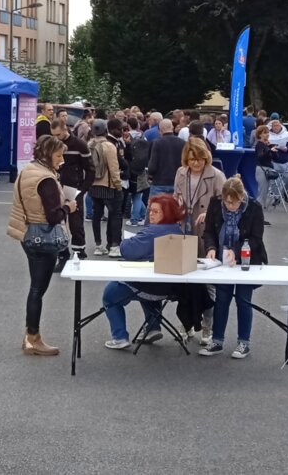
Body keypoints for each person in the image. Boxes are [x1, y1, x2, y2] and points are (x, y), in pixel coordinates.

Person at [6, 135, 78, 356]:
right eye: (58, 155)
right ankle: (33, 338)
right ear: (47, 155)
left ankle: (31, 336)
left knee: (35, 288)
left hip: (27, 234)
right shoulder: (46, 179)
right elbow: (53, 216)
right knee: (37, 290)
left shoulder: (28, 170)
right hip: (44, 238)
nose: (62, 160)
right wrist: (69, 206)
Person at [102, 195, 189, 349]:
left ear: (167, 213)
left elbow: (128, 251)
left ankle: (120, 337)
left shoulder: (153, 232)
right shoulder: (177, 229)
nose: (151, 214)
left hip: (149, 286)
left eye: (156, 211)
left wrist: (125, 242)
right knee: (149, 280)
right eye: (150, 210)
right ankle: (152, 327)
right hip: (170, 287)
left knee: (109, 295)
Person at [198, 177, 268, 359]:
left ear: (241, 198)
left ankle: (244, 342)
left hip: (247, 261)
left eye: (233, 202)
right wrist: (211, 248)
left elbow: (256, 238)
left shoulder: (254, 208)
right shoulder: (215, 204)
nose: (229, 205)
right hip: (222, 262)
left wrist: (236, 251)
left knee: (243, 300)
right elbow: (209, 232)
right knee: (222, 299)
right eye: (226, 202)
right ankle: (218, 340)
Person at [174, 138, 225, 344]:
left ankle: (208, 328)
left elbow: (226, 204)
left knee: (208, 283)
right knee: (185, 281)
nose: (196, 163)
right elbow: (176, 194)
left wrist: (210, 214)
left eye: (200, 159)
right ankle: (186, 324)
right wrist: (178, 205)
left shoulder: (217, 175)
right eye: (192, 159)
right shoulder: (181, 173)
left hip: (207, 232)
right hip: (185, 228)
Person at [51, 118, 94, 265]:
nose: (56, 138)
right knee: (59, 222)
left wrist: (83, 189)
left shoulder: (79, 145)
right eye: (53, 135)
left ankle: (79, 252)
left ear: (65, 130)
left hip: (75, 188)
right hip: (58, 187)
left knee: (76, 223)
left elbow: (90, 169)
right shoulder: (54, 145)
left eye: (58, 135)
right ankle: (62, 255)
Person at [87, 119, 123, 257]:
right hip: (108, 185)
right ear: (105, 130)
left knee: (96, 214)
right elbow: (114, 168)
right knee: (115, 215)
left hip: (94, 185)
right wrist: (118, 184)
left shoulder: (89, 144)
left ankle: (98, 245)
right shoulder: (109, 146)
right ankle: (114, 245)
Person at [147, 119, 185, 196]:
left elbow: (152, 164)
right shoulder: (182, 143)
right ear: (172, 128)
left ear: (160, 130)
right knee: (175, 207)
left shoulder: (156, 143)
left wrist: (150, 175)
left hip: (159, 182)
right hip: (177, 182)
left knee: (157, 207)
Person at [126, 117, 150, 226]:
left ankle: (134, 220)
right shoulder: (142, 136)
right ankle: (143, 214)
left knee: (135, 196)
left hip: (131, 169)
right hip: (141, 170)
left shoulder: (127, 137)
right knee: (138, 194)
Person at [267, 119, 288, 202]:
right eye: (274, 125)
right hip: (273, 161)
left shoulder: (287, 134)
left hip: (285, 161)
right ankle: (277, 197)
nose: (276, 127)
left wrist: (287, 148)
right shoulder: (268, 134)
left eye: (277, 125)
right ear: (271, 126)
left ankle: (286, 193)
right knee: (275, 182)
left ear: (281, 125)